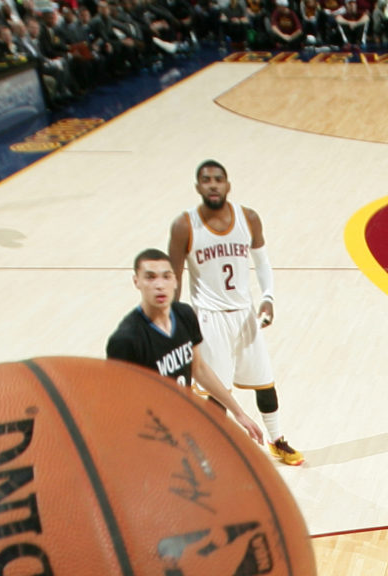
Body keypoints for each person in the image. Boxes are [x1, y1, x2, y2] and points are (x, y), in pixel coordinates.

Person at [168, 159, 302, 467]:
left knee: (265, 383)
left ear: (228, 185)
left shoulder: (248, 218)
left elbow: (263, 263)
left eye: (218, 179)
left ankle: (276, 440)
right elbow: (173, 276)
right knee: (218, 392)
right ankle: (212, 452)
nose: (213, 184)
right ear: (197, 187)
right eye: (206, 180)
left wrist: (267, 297)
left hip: (244, 314)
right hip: (208, 317)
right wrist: (174, 323)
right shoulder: (184, 226)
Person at [106, 246, 266, 443]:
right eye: (150, 277)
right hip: (151, 438)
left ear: (175, 280)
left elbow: (198, 368)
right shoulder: (126, 340)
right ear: (136, 281)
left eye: (166, 276)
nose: (159, 285)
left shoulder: (184, 315)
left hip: (183, 424)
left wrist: (239, 413)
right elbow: (119, 405)